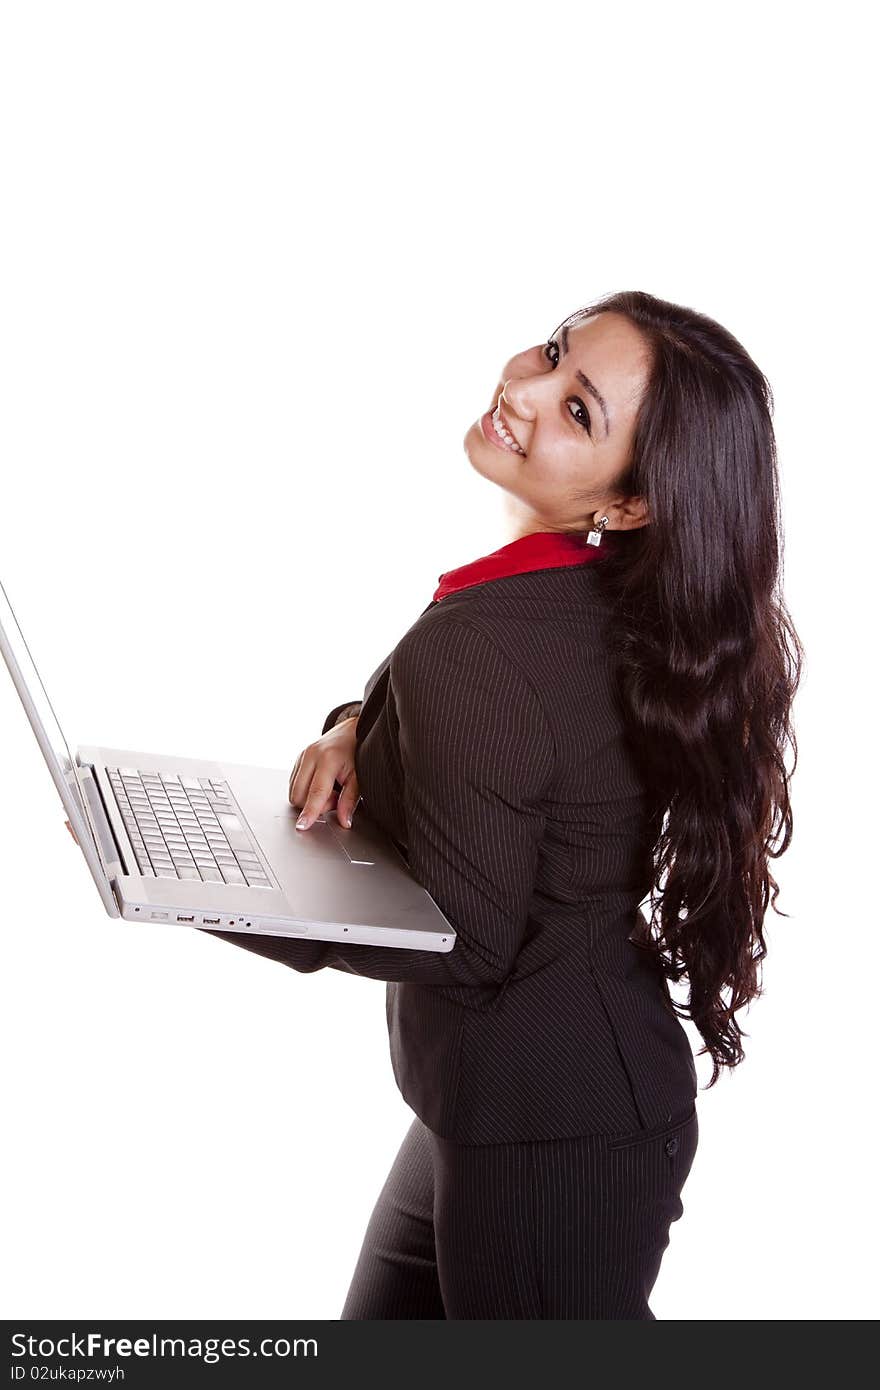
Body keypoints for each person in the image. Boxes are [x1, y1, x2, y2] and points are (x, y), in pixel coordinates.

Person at [199, 289, 804, 1319]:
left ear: (630, 502)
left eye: (578, 410)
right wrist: (354, 727)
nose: (521, 389)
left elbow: (465, 938)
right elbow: (522, 745)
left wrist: (204, 889)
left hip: (549, 1129)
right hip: (507, 1102)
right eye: (553, 353)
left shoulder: (492, 640)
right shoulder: (593, 603)